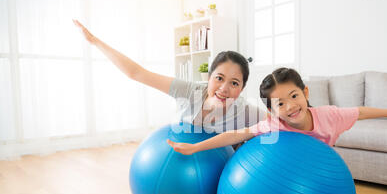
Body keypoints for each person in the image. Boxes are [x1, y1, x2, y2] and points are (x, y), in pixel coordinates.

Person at [72, 19, 265, 146]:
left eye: (234, 83)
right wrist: (94, 41)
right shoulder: (189, 91)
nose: (224, 89)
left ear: (241, 88)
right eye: (219, 78)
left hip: (220, 178)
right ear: (209, 77)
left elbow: (282, 121)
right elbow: (137, 73)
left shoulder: (244, 109)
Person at [167, 67, 387, 154]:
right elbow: (237, 134)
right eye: (280, 104)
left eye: (294, 96)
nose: (290, 107)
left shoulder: (329, 115)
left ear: (305, 93)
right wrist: (196, 147)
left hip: (318, 162)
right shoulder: (273, 125)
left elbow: (359, 111)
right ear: (272, 111)